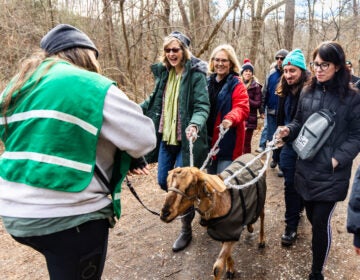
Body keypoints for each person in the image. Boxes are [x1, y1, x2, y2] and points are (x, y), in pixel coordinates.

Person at [0, 24, 156, 280]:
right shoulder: (90, 84)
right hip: (69, 217)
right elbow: (145, 138)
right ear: (84, 54)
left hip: (15, 213)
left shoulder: (20, 85)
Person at [276, 41, 360, 280]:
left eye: (325, 64)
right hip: (306, 167)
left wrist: (336, 159)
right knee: (313, 218)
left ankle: (316, 272)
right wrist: (287, 131)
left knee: (321, 222)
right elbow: (298, 123)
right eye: (316, 64)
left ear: (338, 66)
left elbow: (356, 136)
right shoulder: (307, 91)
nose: (319, 69)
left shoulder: (352, 97)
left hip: (331, 173)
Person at [141, 31, 210, 252]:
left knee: (182, 186)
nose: (171, 54)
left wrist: (195, 124)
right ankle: (195, 201)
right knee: (163, 181)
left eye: (176, 50)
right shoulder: (164, 74)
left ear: (184, 51)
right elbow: (153, 100)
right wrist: (133, 109)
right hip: (166, 137)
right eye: (168, 50)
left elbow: (202, 106)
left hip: (185, 140)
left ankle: (186, 230)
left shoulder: (195, 75)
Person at [275, 49, 311, 246]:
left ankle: (301, 207)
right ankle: (291, 226)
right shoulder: (284, 90)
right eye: (286, 71)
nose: (288, 75)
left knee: (303, 184)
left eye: (293, 71)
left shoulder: (311, 91)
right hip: (289, 145)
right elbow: (281, 118)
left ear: (302, 71)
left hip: (307, 146)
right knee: (290, 185)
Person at [206, 44, 249, 174]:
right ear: (212, 62)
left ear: (230, 63)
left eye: (224, 60)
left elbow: (242, 107)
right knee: (212, 183)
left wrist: (230, 118)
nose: (220, 63)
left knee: (224, 184)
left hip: (228, 142)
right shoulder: (207, 82)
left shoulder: (236, 83)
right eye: (217, 60)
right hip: (209, 142)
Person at [261, 49, 288, 170]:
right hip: (271, 112)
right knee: (273, 137)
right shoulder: (271, 74)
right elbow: (265, 91)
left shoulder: (289, 74)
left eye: (282, 58)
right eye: (277, 58)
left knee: (283, 137)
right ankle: (275, 158)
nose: (279, 60)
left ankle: (282, 163)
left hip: (285, 113)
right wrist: (262, 108)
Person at [240, 58, 262, 154]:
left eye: (250, 71)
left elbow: (258, 103)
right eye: (246, 71)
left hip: (250, 118)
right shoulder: (238, 84)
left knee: (246, 143)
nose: (248, 73)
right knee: (238, 142)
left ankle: (246, 162)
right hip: (239, 117)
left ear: (252, 74)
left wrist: (246, 98)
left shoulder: (256, 86)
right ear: (242, 73)